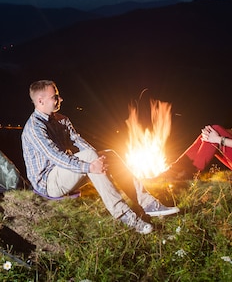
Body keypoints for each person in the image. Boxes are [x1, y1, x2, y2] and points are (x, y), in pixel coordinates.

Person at [21, 79, 179, 235]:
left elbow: (80, 144)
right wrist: (90, 166)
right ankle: (124, 215)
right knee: (90, 158)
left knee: (109, 154)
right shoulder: (35, 127)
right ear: (40, 101)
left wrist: (99, 160)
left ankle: (147, 203)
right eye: (55, 96)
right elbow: (56, 157)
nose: (60, 99)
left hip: (65, 172)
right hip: (49, 183)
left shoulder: (62, 120)